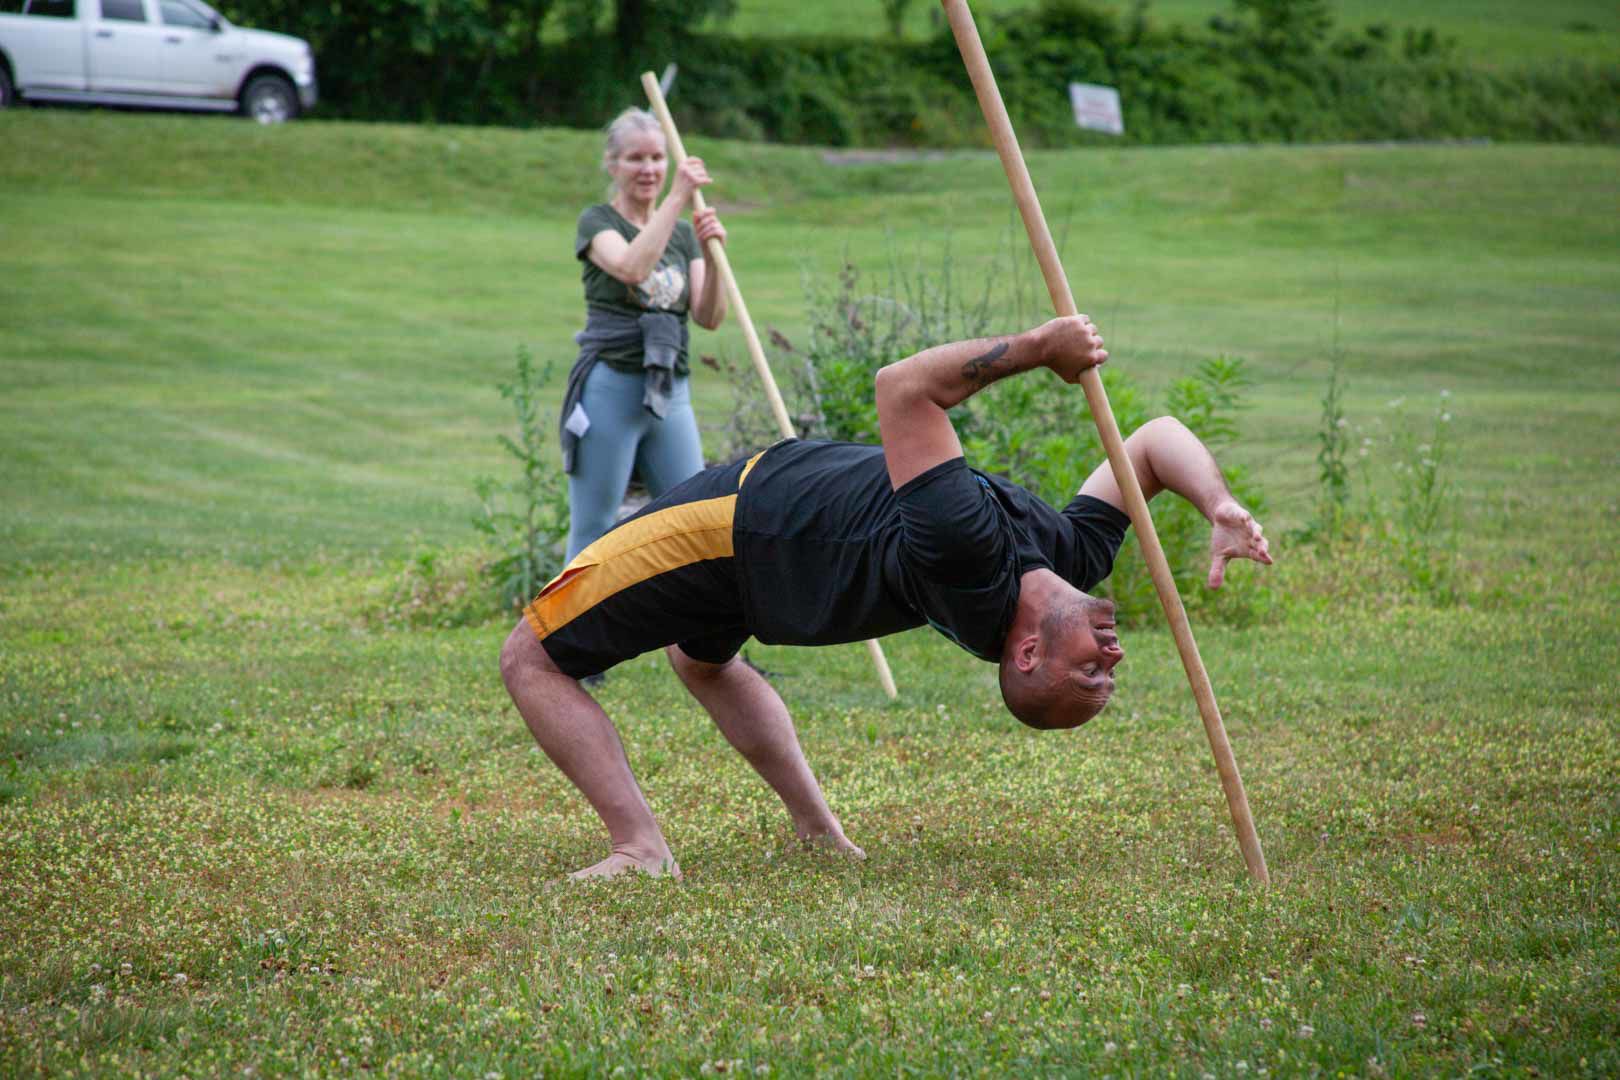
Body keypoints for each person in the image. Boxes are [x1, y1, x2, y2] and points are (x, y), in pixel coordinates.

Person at [502, 315, 1273, 880]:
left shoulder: (965, 554)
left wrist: (1040, 351)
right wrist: (1217, 504)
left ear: (1029, 650)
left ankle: (639, 850)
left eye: (1092, 673)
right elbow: (1151, 444)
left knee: (531, 656)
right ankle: (818, 834)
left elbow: (902, 389)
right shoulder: (1072, 554)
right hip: (781, 561)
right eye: (1109, 672)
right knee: (701, 661)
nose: (1115, 656)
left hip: (738, 528)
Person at [559, 107, 730, 562]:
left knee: (693, 526)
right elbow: (632, 268)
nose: (649, 169)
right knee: (594, 530)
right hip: (610, 389)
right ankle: (564, 633)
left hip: (671, 392)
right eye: (636, 158)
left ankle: (685, 635)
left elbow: (710, 316)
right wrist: (677, 197)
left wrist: (713, 257)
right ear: (612, 165)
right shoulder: (597, 223)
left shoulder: (680, 236)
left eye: (657, 157)